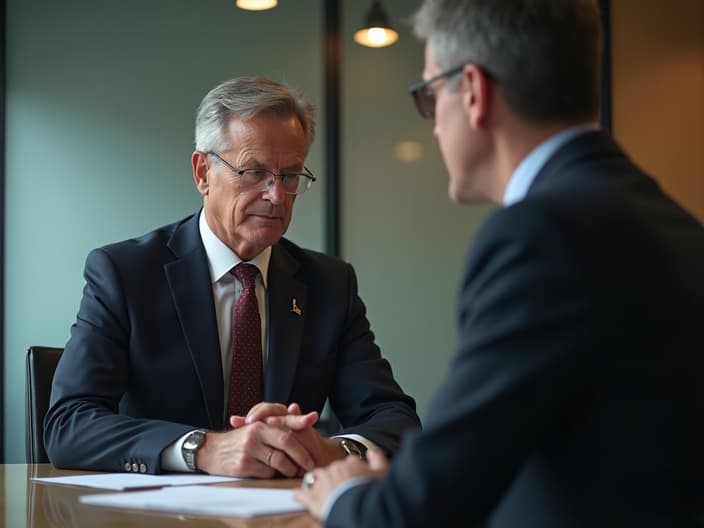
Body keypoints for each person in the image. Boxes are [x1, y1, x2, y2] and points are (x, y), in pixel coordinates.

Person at [293, 0, 704, 526]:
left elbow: (423, 510)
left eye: (429, 96)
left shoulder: (540, 235)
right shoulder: (674, 222)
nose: (435, 125)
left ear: (473, 91)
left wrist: (343, 495)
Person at [44, 76, 420, 478]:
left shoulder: (329, 285)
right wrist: (202, 449)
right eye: (254, 172)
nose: (276, 195)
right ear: (203, 172)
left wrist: (334, 450)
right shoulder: (124, 274)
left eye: (290, 176)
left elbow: (393, 418)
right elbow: (69, 423)